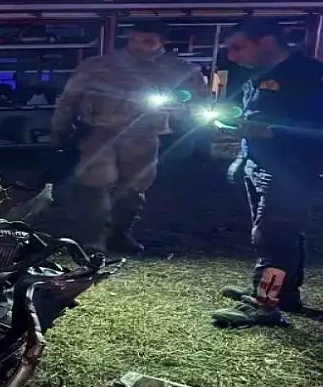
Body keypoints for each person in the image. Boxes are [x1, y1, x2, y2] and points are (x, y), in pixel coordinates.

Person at [50, 21, 206, 254]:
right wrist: (60, 128)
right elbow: (69, 98)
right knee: (96, 184)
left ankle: (120, 234)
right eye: (133, 40)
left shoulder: (181, 71)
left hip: (145, 135)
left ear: (163, 43)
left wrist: (182, 116)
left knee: (132, 188)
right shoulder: (98, 65)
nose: (138, 46)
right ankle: (93, 239)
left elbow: (198, 105)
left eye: (147, 41)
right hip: (100, 132)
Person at [211, 18, 323, 328]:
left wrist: (270, 132)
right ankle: (282, 293)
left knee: (274, 235)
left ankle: (266, 305)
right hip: (261, 164)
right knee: (280, 234)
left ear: (268, 43)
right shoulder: (259, 75)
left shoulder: (309, 76)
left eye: (238, 47)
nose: (232, 56)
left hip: (291, 169)